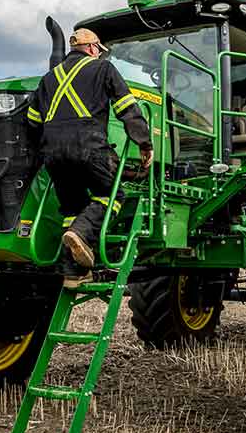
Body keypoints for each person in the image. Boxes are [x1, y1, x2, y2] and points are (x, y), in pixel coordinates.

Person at [28, 28, 153, 288]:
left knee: (73, 209)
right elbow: (126, 107)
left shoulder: (48, 78)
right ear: (94, 48)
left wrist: (44, 152)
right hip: (89, 148)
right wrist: (144, 143)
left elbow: (32, 122)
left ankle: (73, 273)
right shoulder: (103, 69)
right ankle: (80, 233)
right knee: (112, 195)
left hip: (53, 156)